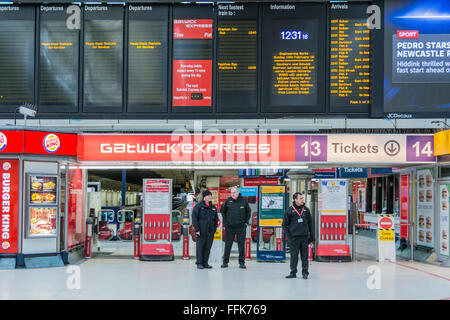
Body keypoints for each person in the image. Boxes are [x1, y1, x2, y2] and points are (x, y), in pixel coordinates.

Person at [282, 192, 314, 279]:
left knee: (304, 256)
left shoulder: (306, 210)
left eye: (302, 198)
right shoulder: (289, 210)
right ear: (295, 200)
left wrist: (312, 237)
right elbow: (284, 225)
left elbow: (310, 224)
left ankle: (305, 272)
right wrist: (289, 236)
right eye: (300, 198)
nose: (302, 200)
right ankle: (293, 272)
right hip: (294, 238)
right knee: (294, 256)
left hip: (304, 237)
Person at [221, 187, 251, 269]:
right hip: (230, 227)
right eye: (231, 192)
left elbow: (248, 211)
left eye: (234, 192)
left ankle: (242, 262)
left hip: (241, 227)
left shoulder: (243, 200)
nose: (232, 194)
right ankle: (225, 262)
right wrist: (226, 223)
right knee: (228, 245)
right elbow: (223, 212)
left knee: (241, 245)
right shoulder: (228, 201)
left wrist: (246, 222)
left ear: (238, 192)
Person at [192, 190, 219, 269]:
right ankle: (199, 263)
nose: (210, 197)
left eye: (211, 195)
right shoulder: (199, 206)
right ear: (204, 197)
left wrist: (214, 229)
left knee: (208, 248)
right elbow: (194, 219)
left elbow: (216, 220)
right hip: (201, 231)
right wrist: (197, 230)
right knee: (200, 248)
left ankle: (205, 263)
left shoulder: (213, 208)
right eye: (208, 196)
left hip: (210, 232)